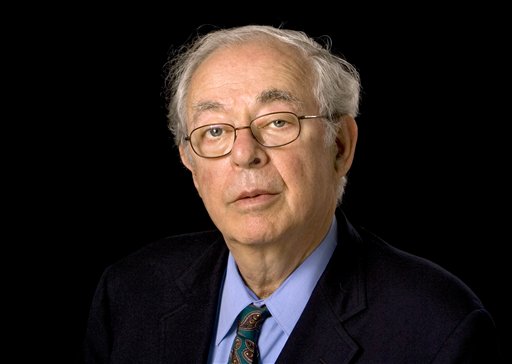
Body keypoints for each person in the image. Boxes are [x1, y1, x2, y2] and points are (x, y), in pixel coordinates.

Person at [82, 24, 501, 363]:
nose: (245, 154)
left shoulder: (438, 330)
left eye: (278, 122)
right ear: (191, 162)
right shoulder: (129, 294)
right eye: (214, 131)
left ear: (340, 146)